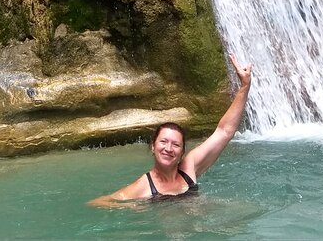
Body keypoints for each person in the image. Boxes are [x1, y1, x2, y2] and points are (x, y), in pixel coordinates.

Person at [89, 54, 252, 206]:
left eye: (175, 144)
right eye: (163, 142)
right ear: (153, 146)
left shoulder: (190, 167)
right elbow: (100, 202)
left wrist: (244, 86)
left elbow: (224, 132)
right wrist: (135, 208)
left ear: (182, 152)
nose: (168, 148)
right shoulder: (143, 187)